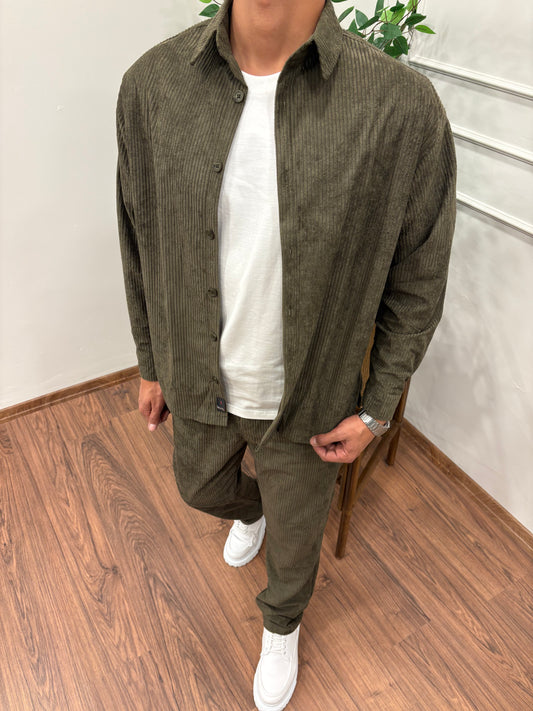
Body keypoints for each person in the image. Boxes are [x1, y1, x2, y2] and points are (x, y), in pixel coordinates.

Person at [115, 0, 456, 708]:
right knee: (197, 487)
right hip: (197, 375)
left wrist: (377, 410)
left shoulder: (398, 107)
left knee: (298, 539)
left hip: (312, 398)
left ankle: (282, 624)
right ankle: (251, 510)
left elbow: (418, 276)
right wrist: (150, 360)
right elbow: (138, 237)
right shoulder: (153, 86)